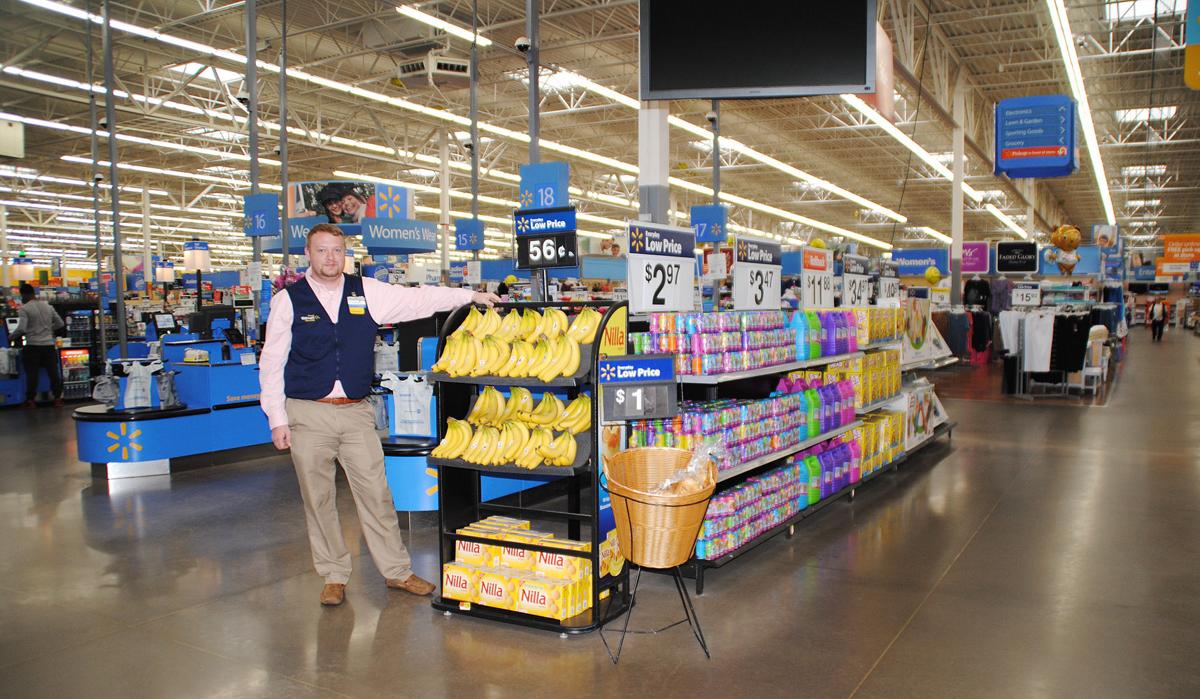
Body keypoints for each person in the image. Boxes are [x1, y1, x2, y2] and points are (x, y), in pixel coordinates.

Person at [259, 223, 499, 606]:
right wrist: (277, 418)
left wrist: (469, 295)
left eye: (337, 250)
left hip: (356, 412)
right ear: (308, 254)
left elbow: (418, 299)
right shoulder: (289, 300)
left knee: (377, 494)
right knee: (318, 499)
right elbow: (272, 362)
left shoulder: (366, 291)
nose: (330, 258)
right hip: (307, 413)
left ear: (345, 253)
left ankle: (397, 571)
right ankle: (333, 575)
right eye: (322, 250)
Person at [11, 283, 65, 408]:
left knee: (32, 374)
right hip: (49, 345)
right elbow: (60, 323)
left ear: (24, 295)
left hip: (33, 346)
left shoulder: (24, 309)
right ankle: (57, 399)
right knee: (53, 373)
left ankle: (31, 401)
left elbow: (22, 328)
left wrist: (11, 337)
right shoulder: (48, 306)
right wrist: (49, 329)